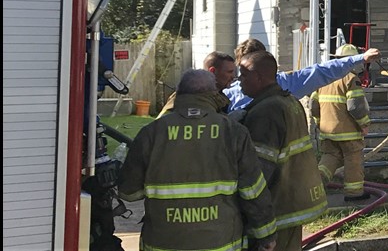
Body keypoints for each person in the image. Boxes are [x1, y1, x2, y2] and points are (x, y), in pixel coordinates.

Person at [118, 69, 278, 251]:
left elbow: (128, 193)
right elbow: (253, 192)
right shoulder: (233, 132)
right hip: (220, 243)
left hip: (162, 243)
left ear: (179, 93)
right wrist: (266, 235)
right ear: (213, 94)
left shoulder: (152, 132)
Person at [239, 51, 328, 251]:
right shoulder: (290, 102)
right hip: (293, 205)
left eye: (244, 75)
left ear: (258, 77)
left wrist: (251, 212)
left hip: (276, 210)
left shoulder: (265, 112)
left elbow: (258, 172)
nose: (239, 80)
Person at [224, 38, 382, 113]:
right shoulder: (227, 95)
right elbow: (322, 72)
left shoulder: (284, 83)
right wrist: (360, 58)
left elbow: (322, 71)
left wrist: (360, 58)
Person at [311, 43, 372, 202]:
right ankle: (354, 194)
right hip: (348, 133)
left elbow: (313, 105)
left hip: (327, 131)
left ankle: (313, 189)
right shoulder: (351, 79)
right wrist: (364, 124)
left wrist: (319, 122)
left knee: (328, 160)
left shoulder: (325, 78)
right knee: (353, 161)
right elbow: (355, 106)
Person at [157, 51, 235, 117]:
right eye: (229, 72)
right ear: (212, 71)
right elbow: (162, 123)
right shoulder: (185, 96)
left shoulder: (221, 99)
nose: (233, 77)